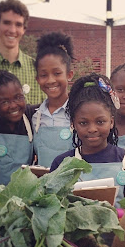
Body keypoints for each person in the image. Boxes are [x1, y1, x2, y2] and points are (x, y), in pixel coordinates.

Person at [50, 73, 125, 208]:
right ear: (73, 124)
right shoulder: (61, 164)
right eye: (83, 123)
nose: (92, 129)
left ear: (111, 122)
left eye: (100, 121)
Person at [32, 32, 75, 167]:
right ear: (37, 79)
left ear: (69, 75)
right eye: (44, 75)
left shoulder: (78, 113)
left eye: (57, 73)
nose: (50, 80)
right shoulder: (35, 117)